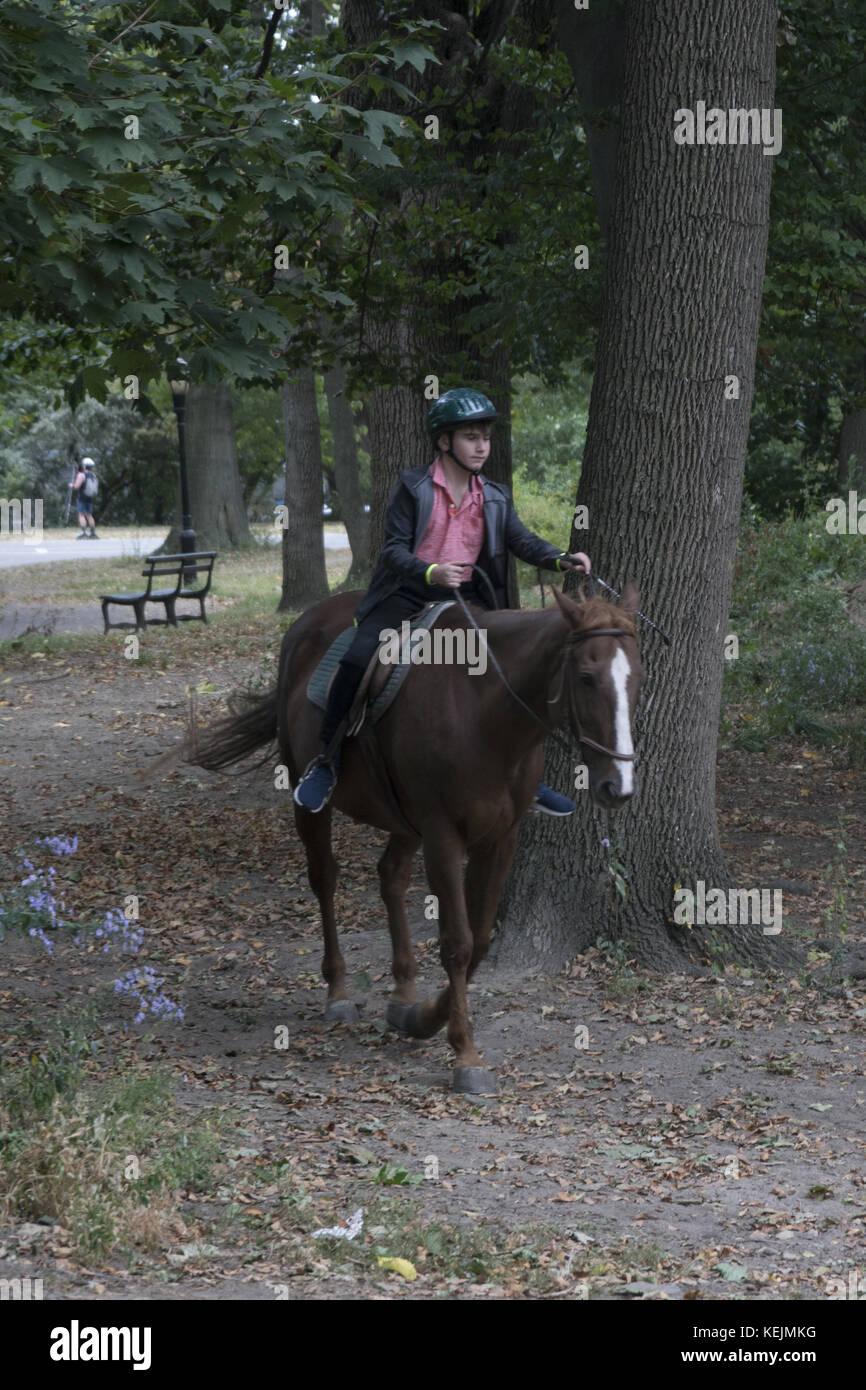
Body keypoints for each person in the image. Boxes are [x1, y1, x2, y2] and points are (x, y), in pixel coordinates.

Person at [293, 387, 591, 815]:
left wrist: (562, 559)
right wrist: (431, 571)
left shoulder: (494, 495)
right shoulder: (412, 488)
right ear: (444, 441)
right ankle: (326, 760)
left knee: (508, 673)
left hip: (467, 598)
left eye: (485, 437)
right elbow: (393, 551)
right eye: (471, 437)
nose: (481, 446)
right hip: (406, 594)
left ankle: (528, 779)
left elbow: (520, 540)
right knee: (359, 658)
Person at [73, 458, 99, 539]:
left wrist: (72, 485)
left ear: (84, 466)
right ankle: (93, 532)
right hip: (90, 497)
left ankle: (84, 532)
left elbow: (77, 486)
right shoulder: (93, 475)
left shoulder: (81, 475)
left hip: (82, 497)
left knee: (81, 514)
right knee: (89, 515)